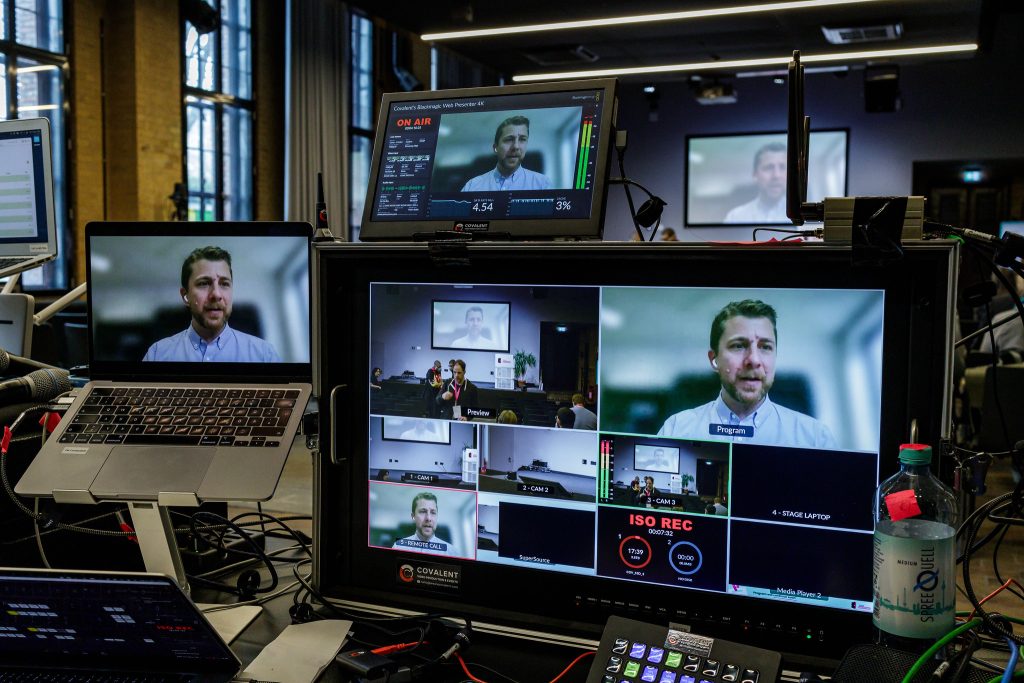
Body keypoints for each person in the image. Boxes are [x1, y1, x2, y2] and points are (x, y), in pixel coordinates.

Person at [657, 299, 838, 449]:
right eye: (738, 345)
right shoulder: (677, 429)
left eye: (765, 347)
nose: (753, 360)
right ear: (714, 359)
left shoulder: (815, 438)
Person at [143, 246, 281, 362]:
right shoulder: (157, 354)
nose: (216, 294)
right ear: (185, 296)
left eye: (224, 284)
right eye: (203, 283)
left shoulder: (264, 354)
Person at [461, 116, 552, 192]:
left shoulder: (542, 184)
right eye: (509, 139)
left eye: (522, 139)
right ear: (495, 147)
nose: (516, 146)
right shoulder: (472, 186)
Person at [723, 143, 788, 224]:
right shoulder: (735, 217)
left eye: (782, 167)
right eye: (769, 168)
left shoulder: (803, 217)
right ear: (755, 174)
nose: (776, 175)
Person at [392, 491, 460, 557]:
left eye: (433, 512)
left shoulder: (452, 552)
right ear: (413, 516)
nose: (428, 518)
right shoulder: (398, 547)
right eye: (423, 512)